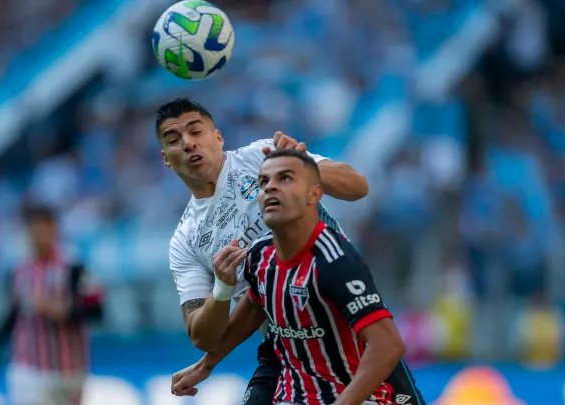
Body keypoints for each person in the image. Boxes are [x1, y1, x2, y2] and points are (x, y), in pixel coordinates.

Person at [157, 97, 368, 404]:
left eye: (196, 132)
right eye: (174, 140)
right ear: (166, 158)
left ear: (217, 137)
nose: (188, 144)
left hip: (348, 325)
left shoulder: (264, 157)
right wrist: (223, 288)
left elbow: (357, 186)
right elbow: (203, 334)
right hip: (286, 350)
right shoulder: (185, 240)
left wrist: (304, 169)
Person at [172, 149, 425, 405]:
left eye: (285, 179)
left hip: (355, 393)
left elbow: (389, 345)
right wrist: (207, 364)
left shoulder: (334, 260)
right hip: (294, 391)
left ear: (313, 194)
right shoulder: (259, 256)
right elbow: (252, 304)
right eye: (263, 182)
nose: (271, 188)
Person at [0, 204, 104, 405]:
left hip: (70, 371)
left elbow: (97, 312)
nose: (39, 233)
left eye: (44, 226)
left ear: (54, 228)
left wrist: (65, 311)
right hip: (28, 370)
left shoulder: (76, 267)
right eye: (34, 227)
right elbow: (14, 314)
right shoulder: (17, 270)